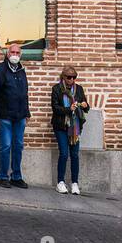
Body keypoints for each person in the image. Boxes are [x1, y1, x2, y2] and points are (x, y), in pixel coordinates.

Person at [0, 41, 30, 187]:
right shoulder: (0, 70)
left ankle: (16, 177)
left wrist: (27, 112)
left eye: (17, 53)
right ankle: (3, 176)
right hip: (4, 116)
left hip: (20, 117)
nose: (15, 55)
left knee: (18, 146)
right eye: (13, 52)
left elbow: (24, 93)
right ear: (7, 53)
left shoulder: (21, 70)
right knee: (5, 146)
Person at [50, 64, 89, 194]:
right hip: (61, 126)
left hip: (75, 127)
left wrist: (84, 105)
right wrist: (69, 109)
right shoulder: (56, 89)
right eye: (69, 77)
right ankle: (60, 182)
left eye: (74, 77)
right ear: (63, 77)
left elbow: (86, 107)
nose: (72, 80)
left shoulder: (79, 89)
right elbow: (55, 108)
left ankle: (74, 183)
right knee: (64, 153)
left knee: (75, 155)